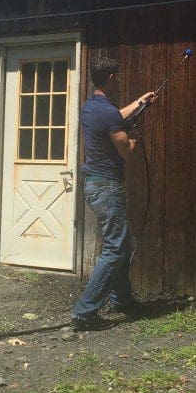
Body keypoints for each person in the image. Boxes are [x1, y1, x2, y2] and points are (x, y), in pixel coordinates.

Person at [71, 56, 156, 331]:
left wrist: (140, 103)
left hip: (94, 185)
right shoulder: (108, 113)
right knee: (115, 248)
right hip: (107, 186)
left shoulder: (90, 107)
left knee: (121, 244)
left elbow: (116, 116)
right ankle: (85, 312)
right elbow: (127, 152)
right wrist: (134, 139)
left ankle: (123, 299)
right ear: (112, 79)